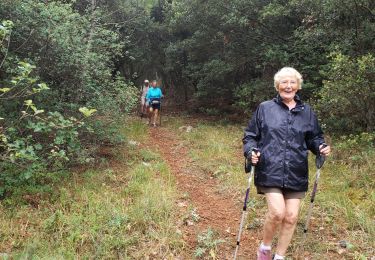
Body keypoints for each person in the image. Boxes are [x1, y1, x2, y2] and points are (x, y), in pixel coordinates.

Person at [242, 67, 331, 260]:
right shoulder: (265, 108)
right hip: (269, 169)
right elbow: (250, 136)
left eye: (292, 82)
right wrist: (251, 151)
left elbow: (314, 138)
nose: (288, 86)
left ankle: (279, 256)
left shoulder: (307, 112)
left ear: (298, 86)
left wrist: (321, 146)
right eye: (284, 82)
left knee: (291, 217)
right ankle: (265, 248)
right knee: (277, 213)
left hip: (296, 171)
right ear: (277, 86)